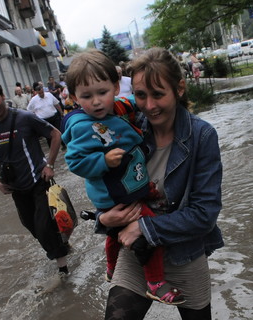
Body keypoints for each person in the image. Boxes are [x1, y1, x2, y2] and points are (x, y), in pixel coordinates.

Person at [97, 48, 224, 319]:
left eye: (158, 94)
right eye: (141, 95)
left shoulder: (203, 136)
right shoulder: (127, 128)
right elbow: (105, 188)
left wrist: (143, 227)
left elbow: (205, 215)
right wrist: (103, 218)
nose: (149, 106)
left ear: (179, 89)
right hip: (136, 255)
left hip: (184, 254)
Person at [61, 49, 184, 305]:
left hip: (124, 189)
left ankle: (110, 267)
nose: (96, 102)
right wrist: (101, 161)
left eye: (102, 93)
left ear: (116, 87)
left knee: (112, 235)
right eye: (86, 96)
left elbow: (132, 103)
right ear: (74, 97)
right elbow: (73, 161)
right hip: (116, 194)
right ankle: (155, 282)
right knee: (150, 232)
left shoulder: (118, 110)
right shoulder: (84, 126)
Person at [0, 81, 70, 277]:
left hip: (38, 180)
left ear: (3, 97)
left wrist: (50, 165)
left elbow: (55, 134)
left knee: (44, 226)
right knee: (32, 225)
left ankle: (63, 270)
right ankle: (61, 243)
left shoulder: (25, 117)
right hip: (15, 186)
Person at [27, 82, 64, 147]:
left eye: (42, 92)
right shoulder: (33, 100)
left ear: (43, 90)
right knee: (49, 136)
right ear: (36, 92)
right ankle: (52, 148)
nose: (41, 94)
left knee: (59, 131)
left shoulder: (49, 95)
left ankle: (64, 144)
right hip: (44, 120)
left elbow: (56, 104)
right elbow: (29, 111)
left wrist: (61, 112)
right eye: (40, 93)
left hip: (54, 117)